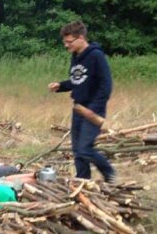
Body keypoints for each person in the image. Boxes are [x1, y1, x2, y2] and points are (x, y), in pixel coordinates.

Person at [49, 21, 115, 183]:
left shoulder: (96, 56)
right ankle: (82, 182)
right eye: (64, 42)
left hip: (92, 111)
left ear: (81, 38)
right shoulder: (76, 56)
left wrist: (94, 108)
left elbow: (106, 84)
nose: (66, 45)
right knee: (78, 151)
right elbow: (77, 80)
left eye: (69, 42)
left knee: (85, 149)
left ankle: (110, 175)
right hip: (78, 109)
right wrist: (61, 86)